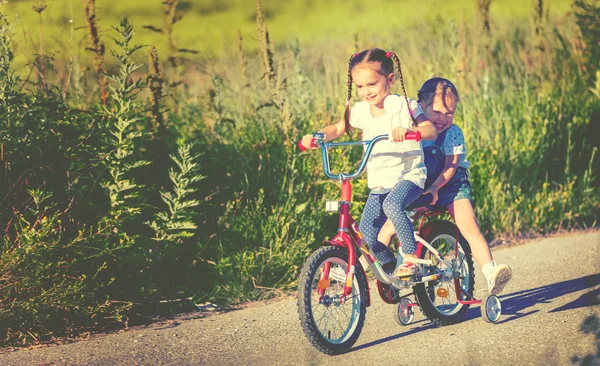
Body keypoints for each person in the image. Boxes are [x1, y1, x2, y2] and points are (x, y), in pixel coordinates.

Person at [300, 48, 437, 278]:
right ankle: (389, 267)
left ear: (390, 79)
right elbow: (338, 127)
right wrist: (318, 136)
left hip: (409, 177)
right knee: (366, 235)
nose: (366, 92)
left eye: (372, 84)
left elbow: (430, 129)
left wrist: (411, 131)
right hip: (380, 183)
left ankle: (411, 257)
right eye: (360, 87)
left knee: (392, 205)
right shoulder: (361, 110)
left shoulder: (405, 106)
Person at [376, 77, 513, 295]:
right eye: (438, 112)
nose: (443, 118)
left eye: (450, 113)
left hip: (450, 185)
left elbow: (451, 166)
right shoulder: (413, 130)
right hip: (420, 185)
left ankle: (492, 272)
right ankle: (381, 270)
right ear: (421, 107)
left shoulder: (453, 133)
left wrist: (436, 188)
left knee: (468, 226)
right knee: (389, 226)